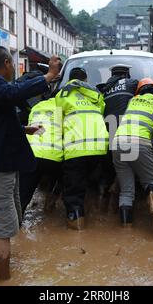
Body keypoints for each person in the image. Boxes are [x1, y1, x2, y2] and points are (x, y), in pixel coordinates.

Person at [0, 46, 60, 280]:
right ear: (7, 64)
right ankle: (3, 280)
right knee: (4, 230)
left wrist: (24, 129)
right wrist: (48, 77)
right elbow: (14, 92)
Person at [112, 78, 153, 229]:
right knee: (150, 181)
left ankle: (126, 227)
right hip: (141, 142)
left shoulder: (133, 101)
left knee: (126, 190)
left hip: (119, 142)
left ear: (139, 92)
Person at [55, 67, 109, 230]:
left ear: (69, 80)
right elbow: (100, 113)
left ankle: (77, 223)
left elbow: (58, 123)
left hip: (76, 147)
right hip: (100, 146)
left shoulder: (62, 95)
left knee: (74, 190)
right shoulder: (96, 94)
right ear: (85, 80)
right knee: (92, 178)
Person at [98, 64, 139, 211]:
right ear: (126, 74)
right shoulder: (132, 83)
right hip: (127, 132)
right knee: (126, 167)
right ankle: (119, 195)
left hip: (107, 133)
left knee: (109, 168)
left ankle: (102, 199)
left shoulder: (103, 89)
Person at [19, 97, 63, 216]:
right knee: (65, 174)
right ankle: (51, 202)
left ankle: (17, 221)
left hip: (31, 155)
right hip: (54, 157)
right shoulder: (63, 107)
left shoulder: (36, 107)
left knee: (25, 192)